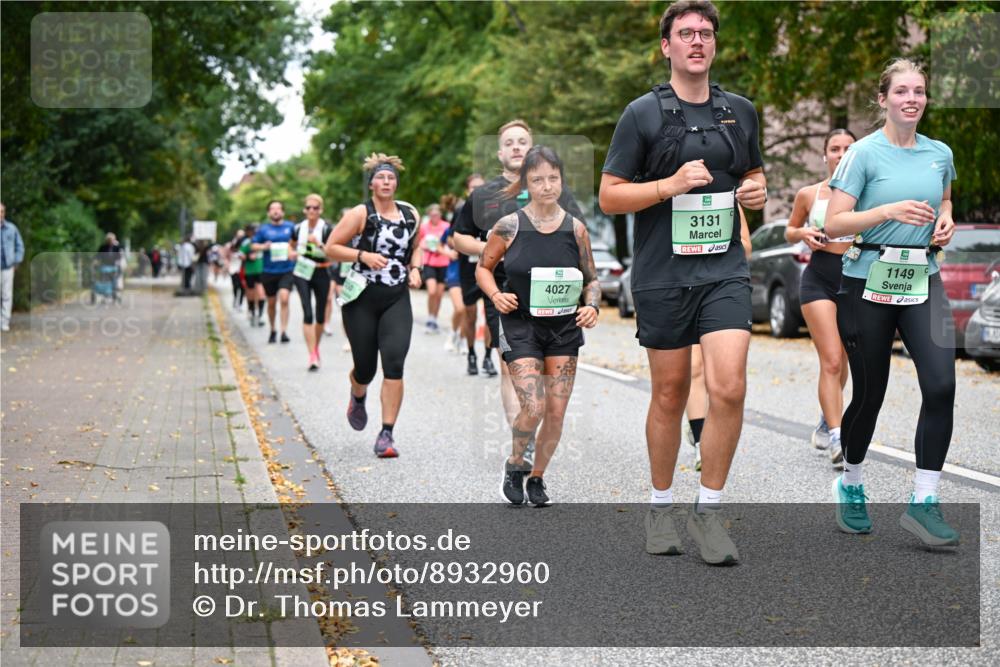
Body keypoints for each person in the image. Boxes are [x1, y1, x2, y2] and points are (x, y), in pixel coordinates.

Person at [599, 0, 767, 564]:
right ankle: (660, 506)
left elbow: (754, 171)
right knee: (670, 393)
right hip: (663, 272)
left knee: (729, 387)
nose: (697, 41)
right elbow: (610, 194)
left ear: (714, 44)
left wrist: (756, 192)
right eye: (685, 33)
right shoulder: (641, 114)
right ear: (667, 46)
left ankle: (710, 511)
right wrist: (668, 185)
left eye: (705, 33)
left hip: (723, 267)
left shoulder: (739, 111)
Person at [825, 58, 959, 546]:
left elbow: (943, 198)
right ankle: (852, 482)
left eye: (919, 91)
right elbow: (835, 224)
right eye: (901, 91)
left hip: (923, 275)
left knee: (942, 383)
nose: (911, 99)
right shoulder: (862, 154)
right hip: (867, 279)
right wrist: (885, 211)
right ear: (883, 100)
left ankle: (924, 501)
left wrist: (945, 218)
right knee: (871, 393)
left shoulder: (939, 153)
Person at [476, 146, 600, 507]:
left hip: (562, 328)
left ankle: (537, 477)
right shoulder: (509, 225)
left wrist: (591, 306)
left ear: (561, 180)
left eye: (552, 178)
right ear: (526, 184)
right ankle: (516, 463)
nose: (546, 186)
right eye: (537, 180)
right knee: (534, 406)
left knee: (557, 412)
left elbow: (591, 278)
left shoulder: (576, 229)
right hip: (520, 325)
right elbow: (483, 268)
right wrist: (496, 295)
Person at [454, 120, 586, 457]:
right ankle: (524, 445)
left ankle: (529, 431)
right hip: (504, 294)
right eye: (509, 142)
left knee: (546, 377)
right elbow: (458, 237)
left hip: (552, 298)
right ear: (500, 153)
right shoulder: (484, 195)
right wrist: (492, 248)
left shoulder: (556, 190)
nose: (515, 147)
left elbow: (577, 233)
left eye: (522, 142)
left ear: (531, 150)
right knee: (510, 366)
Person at [324, 153, 423, 458]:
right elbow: (331, 248)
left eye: (391, 178)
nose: (386, 182)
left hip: (396, 297)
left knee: (394, 364)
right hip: (361, 299)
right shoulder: (359, 214)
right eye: (380, 177)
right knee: (365, 368)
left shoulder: (410, 214)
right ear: (371, 184)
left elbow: (415, 246)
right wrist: (362, 256)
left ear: (396, 184)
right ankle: (358, 393)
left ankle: (386, 434)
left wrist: (416, 268)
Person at [784, 129, 857, 463]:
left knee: (844, 360)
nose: (841, 154)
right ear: (824, 155)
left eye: (848, 149)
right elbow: (789, 231)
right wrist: (803, 233)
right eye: (835, 149)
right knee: (830, 359)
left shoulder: (869, 193)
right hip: (819, 278)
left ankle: (828, 418)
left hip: (856, 277)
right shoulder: (809, 193)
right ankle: (839, 440)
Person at [686, 206, 752, 470]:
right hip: (682, 286)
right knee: (693, 367)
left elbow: (746, 246)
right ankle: (701, 438)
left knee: (723, 381)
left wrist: (714, 243)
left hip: (721, 289)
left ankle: (712, 433)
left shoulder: (729, 198)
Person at [291, 194, 334, 371]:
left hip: (321, 270)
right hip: (302, 271)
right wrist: (290, 252)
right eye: (308, 207)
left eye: (315, 208)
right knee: (307, 312)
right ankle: (312, 355)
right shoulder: (298, 228)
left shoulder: (327, 229)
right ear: (304, 209)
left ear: (320, 210)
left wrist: (319, 244)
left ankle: (315, 347)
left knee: (320, 315)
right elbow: (291, 244)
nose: (311, 211)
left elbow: (333, 252)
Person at [252, 200, 296, 344]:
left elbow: (298, 243)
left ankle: (283, 331)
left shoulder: (290, 227)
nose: (276, 211)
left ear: (283, 212)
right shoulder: (263, 229)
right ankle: (273, 329)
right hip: (268, 271)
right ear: (268, 212)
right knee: (271, 303)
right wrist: (264, 246)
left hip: (286, 269)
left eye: (278, 209)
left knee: (284, 298)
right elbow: (253, 245)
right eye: (273, 209)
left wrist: (293, 250)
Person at [418, 203, 451, 334]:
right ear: (429, 215)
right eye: (432, 215)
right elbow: (419, 243)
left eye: (437, 215)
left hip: (443, 262)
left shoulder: (446, 226)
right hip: (429, 262)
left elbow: (449, 242)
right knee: (431, 291)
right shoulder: (424, 227)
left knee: (439, 294)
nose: (434, 217)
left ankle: (434, 320)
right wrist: (424, 246)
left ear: (440, 215)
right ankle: (430, 317)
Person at [0, 203, 25, 332]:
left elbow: (20, 246)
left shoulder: (11, 228)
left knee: (6, 295)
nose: (0, 214)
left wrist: (16, 261)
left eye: (2, 211)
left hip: (7, 267)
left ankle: (4, 322)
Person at [239, 224, 265, 327]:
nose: (253, 233)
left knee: (261, 293)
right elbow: (240, 254)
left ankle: (260, 316)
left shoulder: (261, 241)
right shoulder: (246, 242)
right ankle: (252, 312)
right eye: (251, 231)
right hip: (249, 271)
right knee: (250, 293)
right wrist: (248, 257)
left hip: (261, 270)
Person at [227, 230, 246, 310]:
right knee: (236, 286)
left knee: (242, 287)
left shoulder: (245, 243)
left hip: (242, 269)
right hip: (233, 269)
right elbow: (227, 255)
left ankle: (240, 303)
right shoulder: (233, 243)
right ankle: (235, 300)